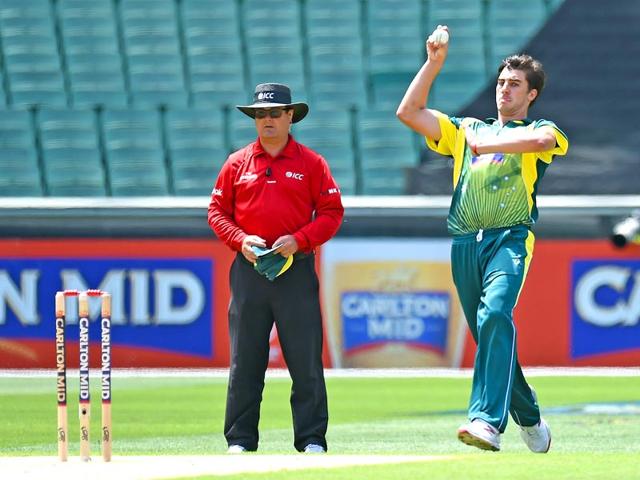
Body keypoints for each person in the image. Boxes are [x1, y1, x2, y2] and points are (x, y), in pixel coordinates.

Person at [396, 26, 569, 452]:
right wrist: (433, 63)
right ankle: (529, 417)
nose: (505, 90)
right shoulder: (467, 128)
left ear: (531, 95)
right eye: (501, 83)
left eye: (515, 85)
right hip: (464, 245)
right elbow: (409, 112)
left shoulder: (539, 128)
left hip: (509, 238)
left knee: (495, 315)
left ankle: (485, 421)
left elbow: (545, 141)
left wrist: (490, 143)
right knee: (491, 334)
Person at [208, 83, 344, 454]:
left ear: (289, 117)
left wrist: (298, 240)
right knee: (245, 359)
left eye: (274, 113)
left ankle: (312, 438)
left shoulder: (312, 163)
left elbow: (332, 214)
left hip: (296, 271)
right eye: (260, 114)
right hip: (249, 271)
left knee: (304, 359)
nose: (266, 119)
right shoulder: (236, 163)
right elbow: (216, 213)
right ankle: (239, 440)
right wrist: (241, 240)